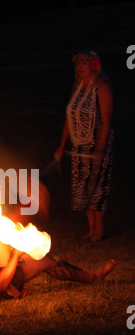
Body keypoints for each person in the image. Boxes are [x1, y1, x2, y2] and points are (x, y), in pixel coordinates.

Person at [54, 50, 115, 241]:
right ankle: (90, 229)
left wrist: (101, 148)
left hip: (97, 142)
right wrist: (62, 146)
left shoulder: (102, 87)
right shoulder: (77, 88)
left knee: (97, 187)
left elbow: (106, 120)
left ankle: (99, 230)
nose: (80, 68)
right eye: (78, 65)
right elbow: (68, 118)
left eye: (84, 64)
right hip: (79, 144)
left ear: (94, 65)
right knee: (83, 188)